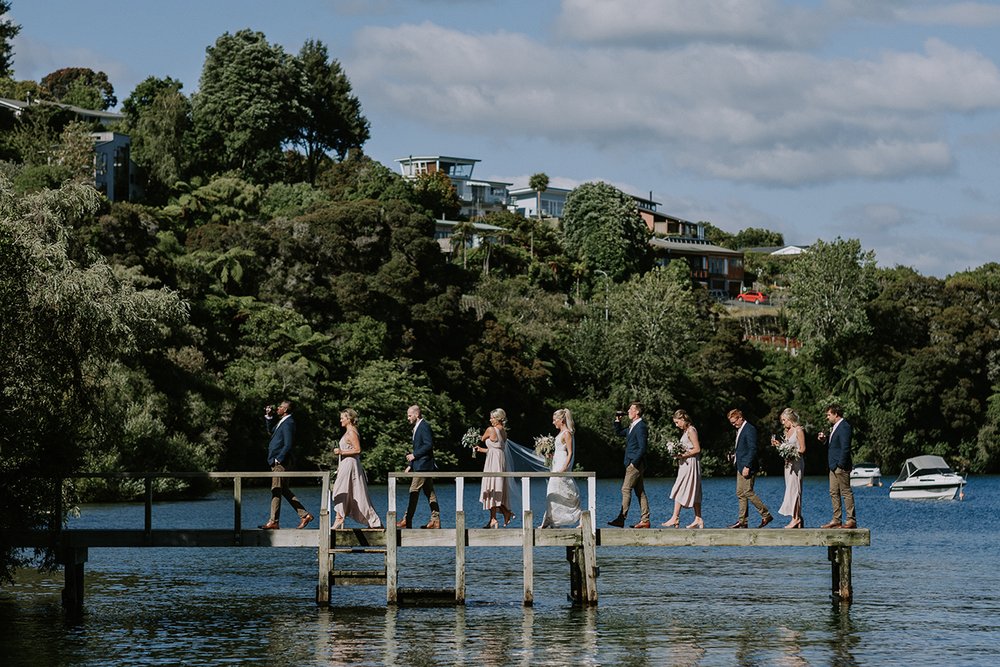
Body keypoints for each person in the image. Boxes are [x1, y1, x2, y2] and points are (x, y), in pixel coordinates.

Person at [261, 400, 314, 530]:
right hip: (276, 461)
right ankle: (304, 515)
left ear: (285, 410)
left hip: (280, 462)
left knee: (276, 489)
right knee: (281, 489)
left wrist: (278, 459)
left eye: (280, 407)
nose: (277, 408)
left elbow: (288, 444)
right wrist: (268, 417)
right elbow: (271, 432)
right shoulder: (282, 421)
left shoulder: (289, 423)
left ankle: (274, 521)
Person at [331, 408, 383, 529]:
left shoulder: (351, 432)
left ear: (349, 419)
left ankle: (340, 518)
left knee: (343, 491)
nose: (340, 420)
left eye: (342, 418)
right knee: (348, 492)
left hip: (350, 464)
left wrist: (341, 451)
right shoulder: (348, 432)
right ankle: (341, 517)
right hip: (346, 464)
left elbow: (358, 450)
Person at [726, 408, 772, 529]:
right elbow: (743, 449)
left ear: (740, 417)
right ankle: (742, 521)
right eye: (731, 422)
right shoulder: (740, 429)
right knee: (740, 493)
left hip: (747, 467)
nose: (733, 424)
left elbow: (753, 449)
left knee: (747, 491)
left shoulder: (749, 429)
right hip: (740, 466)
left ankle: (766, 514)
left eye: (734, 421)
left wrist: (748, 466)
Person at [397, 405, 441, 529]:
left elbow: (428, 445)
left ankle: (407, 519)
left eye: (409, 415)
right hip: (420, 465)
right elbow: (419, 448)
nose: (408, 418)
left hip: (423, 466)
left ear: (417, 415)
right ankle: (435, 520)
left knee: (413, 491)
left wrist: (414, 455)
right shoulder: (417, 427)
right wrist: (410, 465)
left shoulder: (424, 426)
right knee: (430, 493)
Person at [608, 402, 651, 528]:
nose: (628, 411)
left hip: (635, 464)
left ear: (637, 412)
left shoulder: (641, 426)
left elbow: (642, 448)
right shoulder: (633, 426)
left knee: (625, 489)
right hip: (632, 463)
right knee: (640, 491)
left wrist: (633, 463)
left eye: (631, 409)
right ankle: (645, 520)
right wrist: (617, 420)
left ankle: (621, 518)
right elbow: (619, 432)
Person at [540, 408, 582, 528]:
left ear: (561, 420)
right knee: (552, 491)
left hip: (562, 464)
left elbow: (570, 452)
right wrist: (549, 455)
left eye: (555, 420)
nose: (553, 422)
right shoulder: (560, 434)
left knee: (568, 491)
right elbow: (559, 450)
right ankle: (549, 518)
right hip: (556, 463)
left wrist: (565, 467)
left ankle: (580, 516)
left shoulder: (567, 433)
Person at [662, 409, 703, 529]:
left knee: (680, 488)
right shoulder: (686, 431)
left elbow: (697, 449)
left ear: (683, 419)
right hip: (685, 463)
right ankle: (698, 518)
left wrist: (682, 455)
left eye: (677, 422)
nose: (676, 425)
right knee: (693, 489)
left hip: (690, 463)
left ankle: (675, 517)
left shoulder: (691, 430)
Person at [817, 404, 857, 529]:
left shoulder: (844, 426)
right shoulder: (835, 427)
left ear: (835, 414)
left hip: (841, 466)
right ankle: (836, 519)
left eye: (828, 415)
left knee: (845, 492)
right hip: (833, 466)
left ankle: (851, 520)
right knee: (833, 492)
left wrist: (841, 464)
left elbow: (846, 447)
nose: (827, 417)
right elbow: (835, 445)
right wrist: (824, 440)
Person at [474, 408, 514, 528]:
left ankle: (504, 513)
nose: (490, 419)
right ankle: (493, 519)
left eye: (492, 417)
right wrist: (481, 450)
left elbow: (481, 439)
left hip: (493, 463)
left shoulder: (491, 430)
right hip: (499, 460)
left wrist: (473, 439)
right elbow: (495, 449)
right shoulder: (504, 432)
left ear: (497, 419)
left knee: (491, 488)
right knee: (494, 488)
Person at [771, 408, 806, 529]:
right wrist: (779, 446)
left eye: (784, 420)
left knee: (795, 490)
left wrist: (791, 452)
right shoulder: (786, 432)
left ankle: (795, 519)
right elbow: (785, 448)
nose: (782, 422)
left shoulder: (798, 430)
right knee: (790, 491)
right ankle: (798, 519)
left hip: (796, 464)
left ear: (790, 419)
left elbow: (802, 449)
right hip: (788, 465)